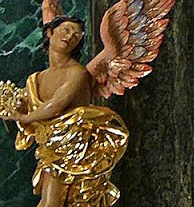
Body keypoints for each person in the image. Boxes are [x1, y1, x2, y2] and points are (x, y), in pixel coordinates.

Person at [3, 16, 128, 207]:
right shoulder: (36, 79)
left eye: (77, 35)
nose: (71, 37)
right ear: (49, 32)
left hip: (74, 150)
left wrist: (24, 116)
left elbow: (56, 105)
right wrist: (15, 110)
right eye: (66, 30)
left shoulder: (76, 73)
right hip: (49, 150)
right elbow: (29, 119)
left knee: (53, 203)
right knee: (47, 201)